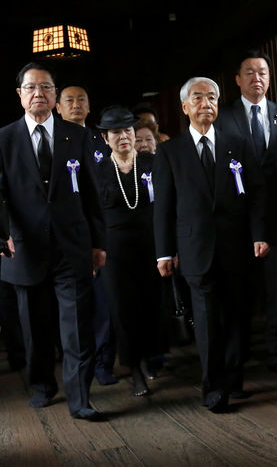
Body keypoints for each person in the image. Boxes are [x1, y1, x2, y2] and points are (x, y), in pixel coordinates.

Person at [153, 77, 268, 412]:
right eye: (198, 97)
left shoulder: (238, 143)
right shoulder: (170, 151)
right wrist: (164, 251)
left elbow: (257, 194)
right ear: (185, 106)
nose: (206, 103)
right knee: (206, 320)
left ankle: (233, 378)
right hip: (195, 249)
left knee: (236, 316)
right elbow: (163, 207)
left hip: (236, 247)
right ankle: (214, 387)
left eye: (213, 97)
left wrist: (259, 233)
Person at [0, 62, 106, 421]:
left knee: (77, 327)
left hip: (72, 246)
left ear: (55, 95)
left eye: (46, 88)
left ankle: (80, 399)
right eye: (31, 88)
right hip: (24, 248)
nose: (38, 95)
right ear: (20, 95)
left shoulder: (76, 136)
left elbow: (93, 194)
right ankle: (43, 386)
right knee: (36, 328)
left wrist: (98, 242)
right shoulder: (4, 138)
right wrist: (3, 235)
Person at [216, 48, 277, 375]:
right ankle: (241, 352)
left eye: (262, 72)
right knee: (240, 289)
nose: (256, 78)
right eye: (249, 72)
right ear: (237, 80)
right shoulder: (223, 116)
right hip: (237, 218)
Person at [95, 106, 162, 397]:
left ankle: (152, 358)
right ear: (105, 138)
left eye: (128, 130)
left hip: (150, 246)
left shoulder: (151, 163)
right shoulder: (97, 171)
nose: (123, 136)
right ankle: (133, 369)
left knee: (150, 305)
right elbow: (91, 215)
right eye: (116, 132)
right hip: (114, 253)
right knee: (123, 310)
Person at [56, 85, 118, 387]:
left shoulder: (98, 140)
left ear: (90, 106)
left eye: (82, 99)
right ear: (58, 107)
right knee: (75, 309)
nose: (76, 105)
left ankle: (104, 363)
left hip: (101, 230)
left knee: (103, 302)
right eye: (69, 100)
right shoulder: (51, 140)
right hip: (67, 236)